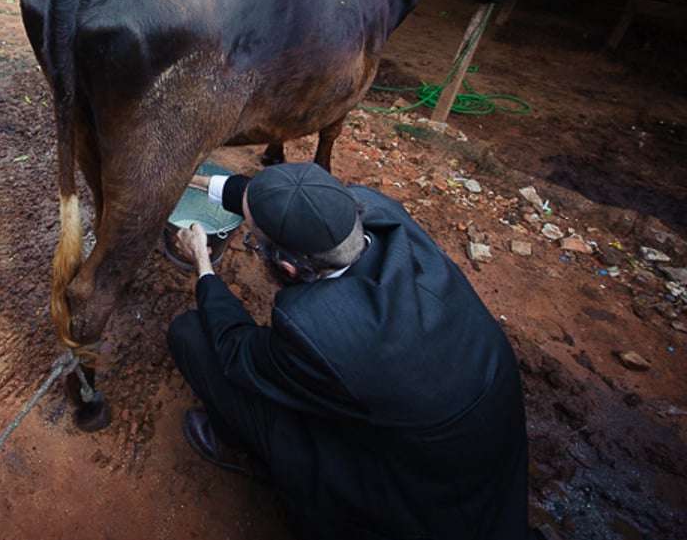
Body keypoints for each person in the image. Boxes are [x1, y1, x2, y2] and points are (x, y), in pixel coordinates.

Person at [168, 162, 529, 540]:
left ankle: (241, 444)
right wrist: (196, 179)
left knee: (192, 334)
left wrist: (204, 267)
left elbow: (235, 350)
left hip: (420, 502)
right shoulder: (379, 213)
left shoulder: (316, 329)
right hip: (485, 463)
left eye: (253, 242)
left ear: (288, 268)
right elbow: (279, 200)